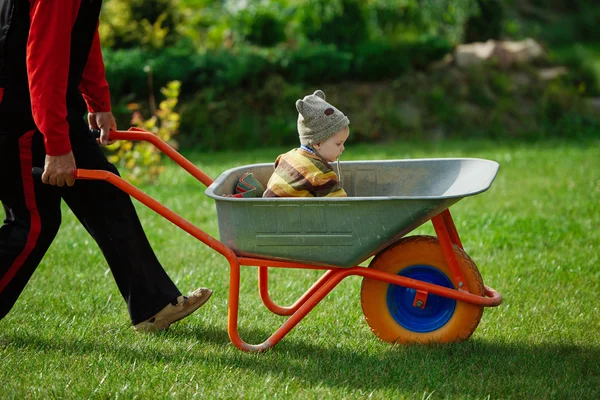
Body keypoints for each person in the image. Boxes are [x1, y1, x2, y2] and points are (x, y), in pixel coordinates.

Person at [0, 0, 211, 331]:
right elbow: (44, 57)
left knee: (105, 192)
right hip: (19, 110)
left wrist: (97, 102)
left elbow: (81, 35)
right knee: (33, 223)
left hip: (50, 103)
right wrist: (56, 145)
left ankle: (152, 306)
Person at [263, 90, 350, 198]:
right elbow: (342, 205)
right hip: (288, 213)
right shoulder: (321, 174)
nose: (343, 148)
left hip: (267, 207)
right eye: (338, 144)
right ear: (317, 143)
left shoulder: (286, 157)